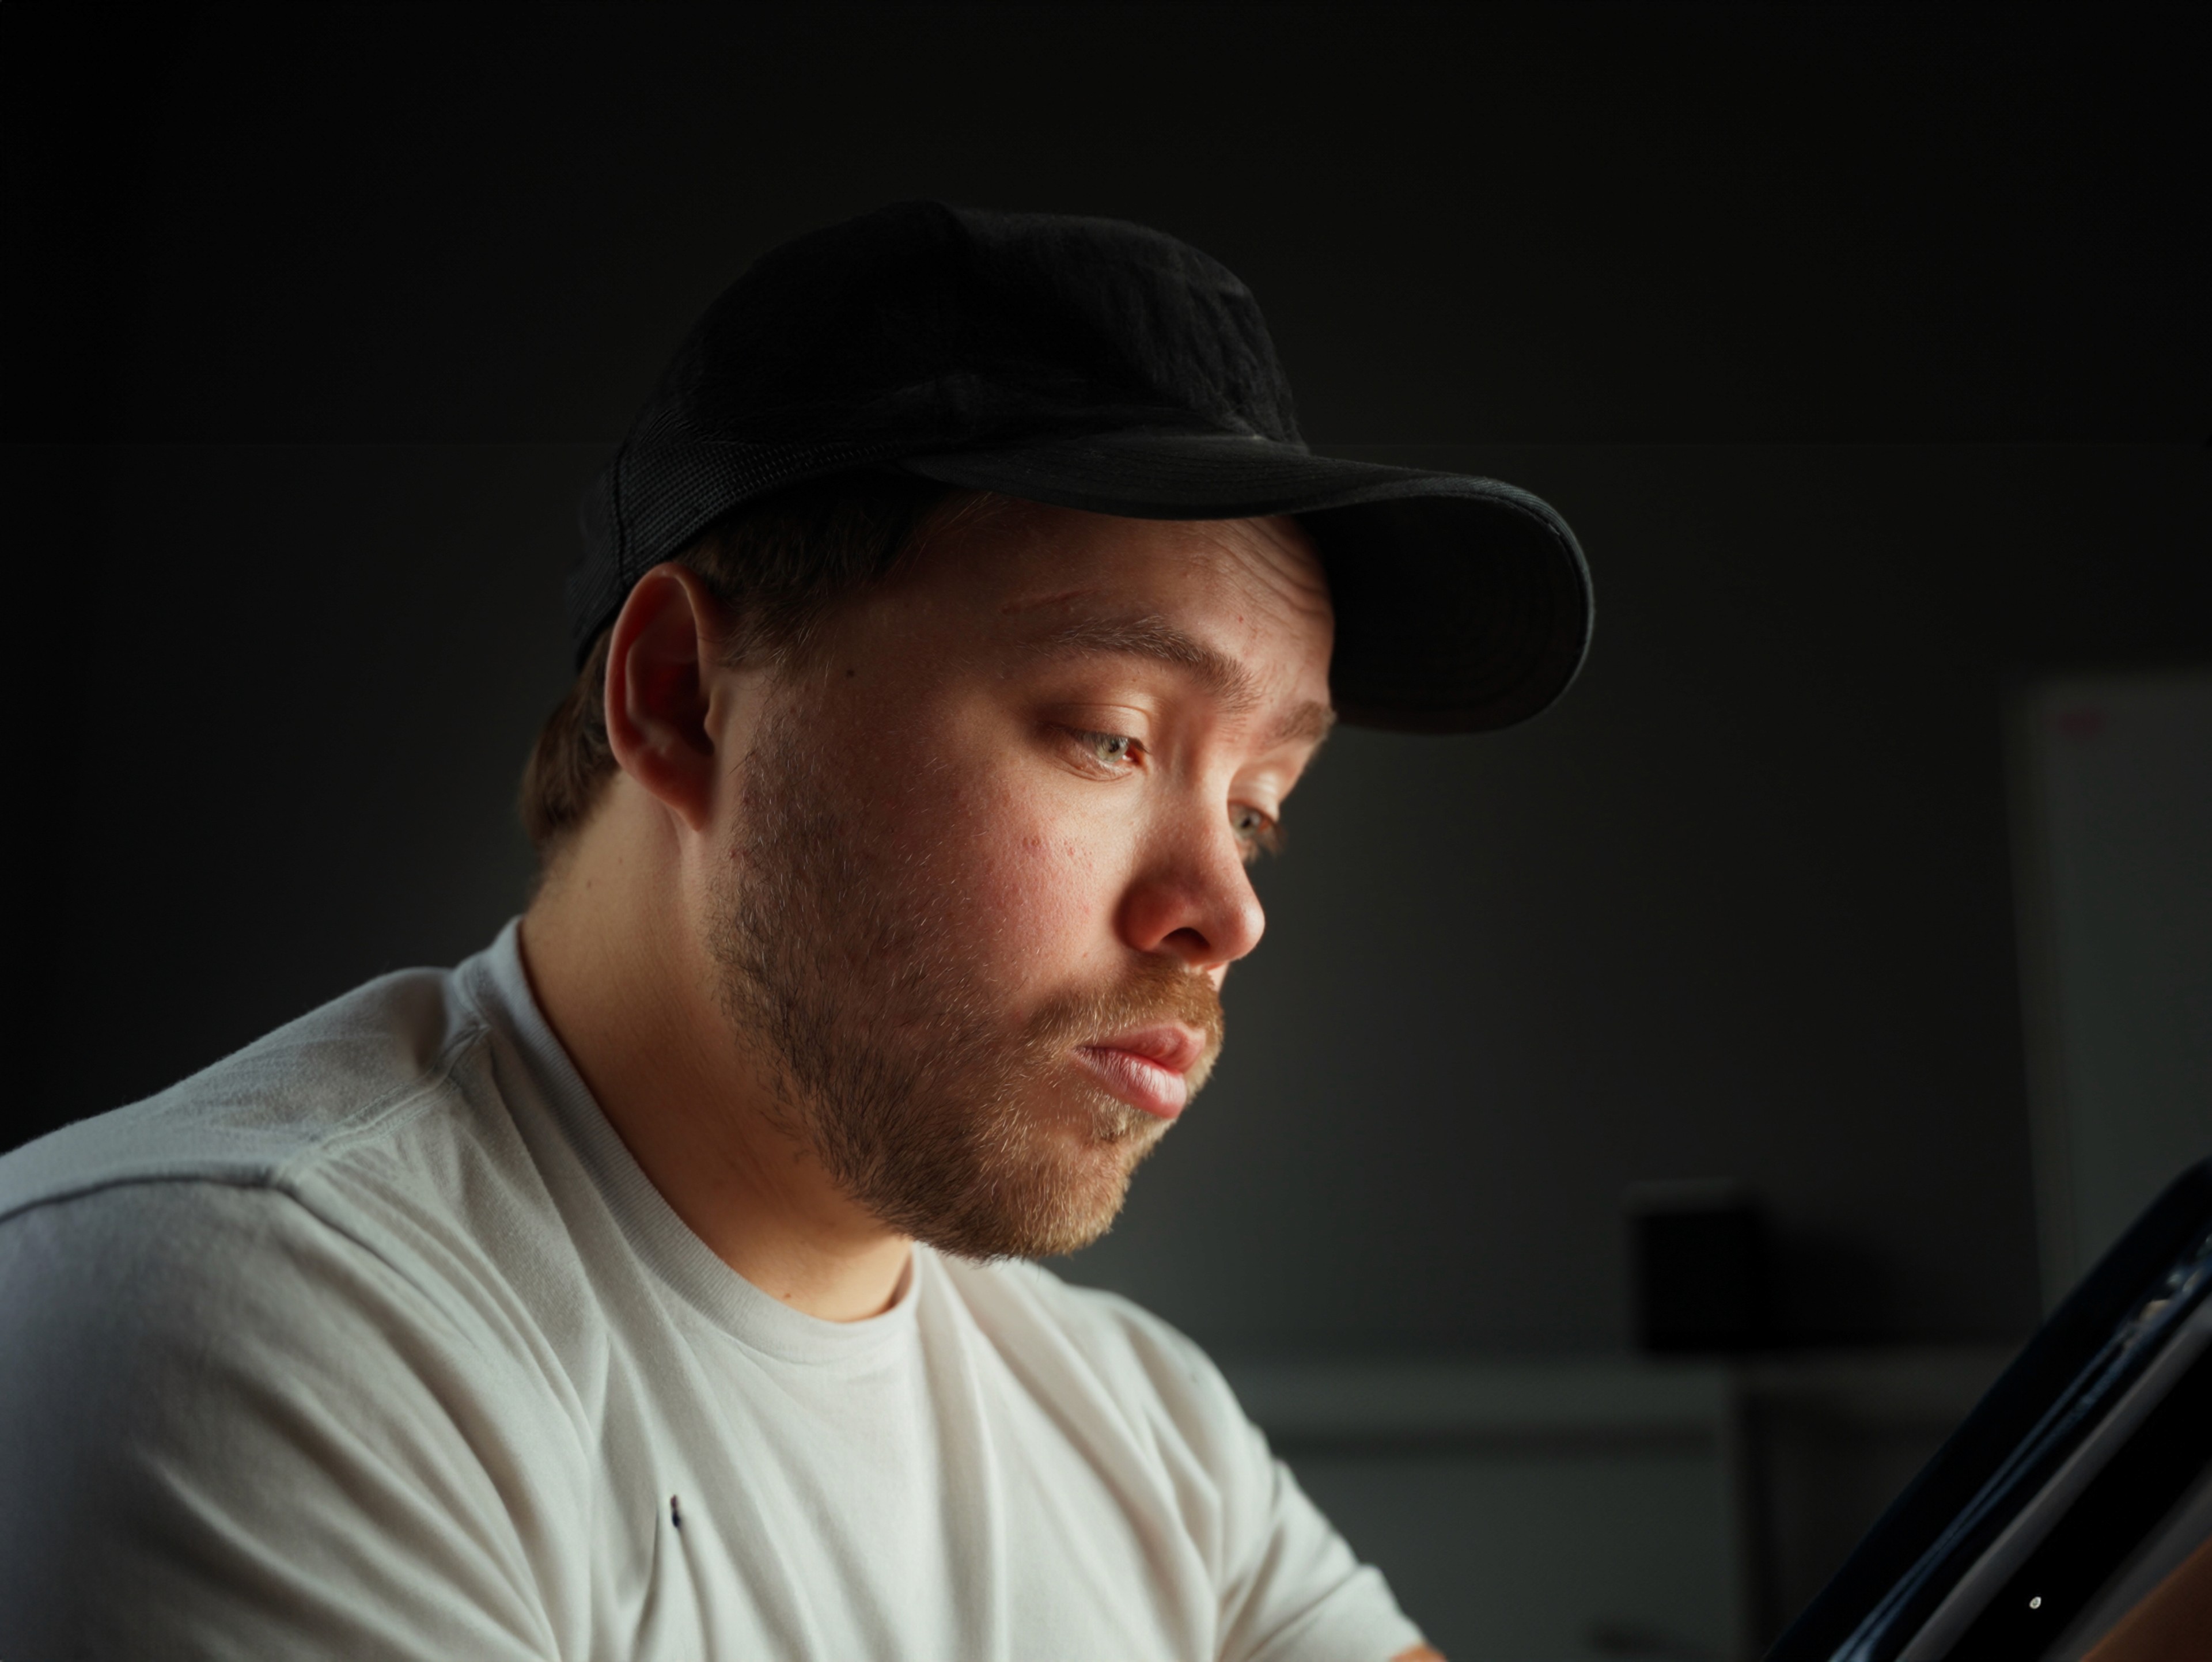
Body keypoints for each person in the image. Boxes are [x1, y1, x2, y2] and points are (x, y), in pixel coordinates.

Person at [0, 202, 1589, 1660]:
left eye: (1258, 807)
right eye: (1110, 736)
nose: (1229, 912)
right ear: (683, 698)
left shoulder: (1152, 1442)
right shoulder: (238, 1322)